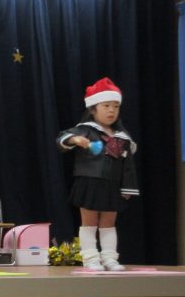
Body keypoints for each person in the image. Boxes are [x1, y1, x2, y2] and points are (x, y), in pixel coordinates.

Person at [57, 77, 138, 271]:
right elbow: (62, 137)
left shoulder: (121, 137)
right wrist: (75, 139)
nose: (111, 111)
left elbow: (127, 166)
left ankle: (109, 258)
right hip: (89, 182)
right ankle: (91, 258)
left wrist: (127, 187)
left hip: (112, 185)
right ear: (93, 109)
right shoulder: (86, 130)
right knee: (89, 222)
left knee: (109, 223)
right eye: (106, 106)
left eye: (116, 106)